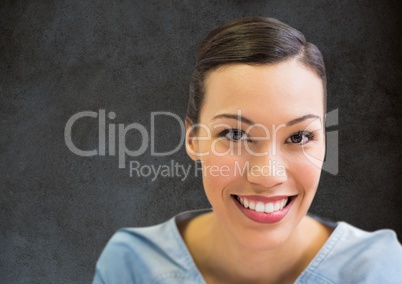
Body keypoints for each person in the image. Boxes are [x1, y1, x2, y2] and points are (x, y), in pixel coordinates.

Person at [93, 17, 402, 283]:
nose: (267, 176)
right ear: (192, 140)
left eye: (298, 137)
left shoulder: (378, 269)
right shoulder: (131, 265)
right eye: (235, 134)